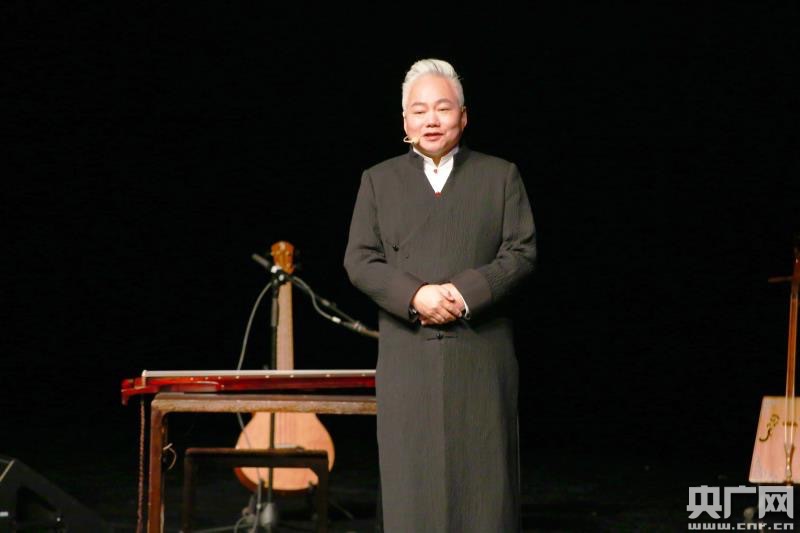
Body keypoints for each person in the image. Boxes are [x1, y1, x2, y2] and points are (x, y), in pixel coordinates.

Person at [343, 58, 536, 532]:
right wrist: (416, 296)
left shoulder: (500, 176)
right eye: (419, 110)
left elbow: (521, 252)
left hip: (481, 352)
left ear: (463, 117)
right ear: (405, 120)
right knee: (412, 484)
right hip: (407, 355)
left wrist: (463, 293)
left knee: (485, 487)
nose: (431, 120)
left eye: (443, 108)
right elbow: (360, 259)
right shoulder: (378, 180)